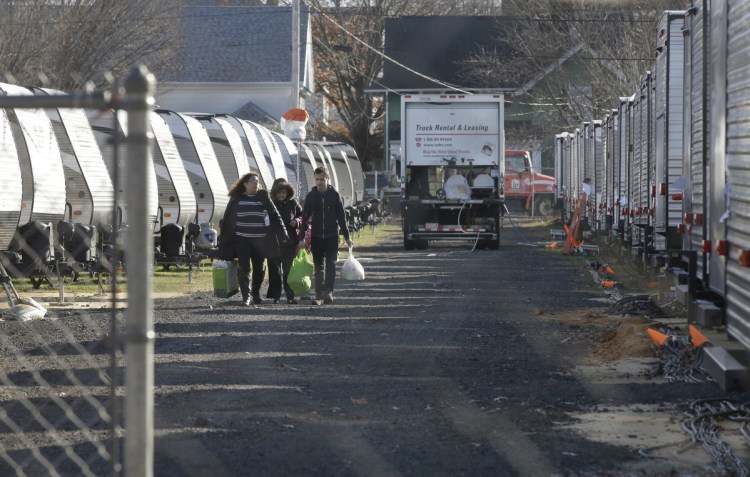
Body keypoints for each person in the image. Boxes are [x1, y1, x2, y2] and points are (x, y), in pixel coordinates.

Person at [218, 173, 288, 306]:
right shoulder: (237, 198)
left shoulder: (263, 197)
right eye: (252, 181)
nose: (255, 184)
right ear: (245, 184)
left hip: (260, 241)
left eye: (257, 181)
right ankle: (246, 296)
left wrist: (283, 234)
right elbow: (227, 220)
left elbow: (275, 215)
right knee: (244, 268)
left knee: (259, 268)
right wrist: (223, 241)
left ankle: (255, 293)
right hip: (242, 239)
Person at [299, 166, 353, 305]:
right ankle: (318, 294)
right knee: (318, 266)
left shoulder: (335, 196)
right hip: (316, 236)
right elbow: (305, 219)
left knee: (331, 265)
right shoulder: (311, 197)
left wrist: (347, 237)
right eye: (317, 179)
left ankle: (328, 292)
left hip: (331, 236)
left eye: (322, 179)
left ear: (328, 179)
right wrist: (301, 239)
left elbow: (341, 218)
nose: (319, 182)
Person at [266, 178, 302, 304]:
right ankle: (275, 297)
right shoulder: (269, 204)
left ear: (287, 192)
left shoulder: (293, 203)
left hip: (289, 243)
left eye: (284, 192)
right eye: (279, 192)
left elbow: (302, 216)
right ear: (274, 192)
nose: (281, 195)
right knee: (274, 272)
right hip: (273, 243)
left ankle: (290, 296)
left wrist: (297, 222)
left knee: (288, 271)